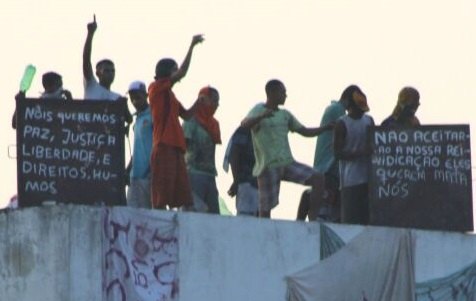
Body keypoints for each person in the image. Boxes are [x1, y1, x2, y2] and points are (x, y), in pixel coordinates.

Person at [241, 79, 332, 219]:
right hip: (268, 165)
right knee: (265, 208)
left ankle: (312, 218)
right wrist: (261, 116)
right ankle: (264, 233)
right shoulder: (258, 109)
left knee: (318, 178)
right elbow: (244, 125)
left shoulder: (285, 115)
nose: (285, 95)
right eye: (282, 92)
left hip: (287, 162)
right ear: (271, 93)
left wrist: (325, 128)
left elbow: (305, 131)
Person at [148, 34, 204, 210]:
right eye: (173, 70)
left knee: (181, 194)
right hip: (163, 145)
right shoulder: (155, 88)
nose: (177, 73)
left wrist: (198, 103)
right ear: (166, 73)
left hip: (176, 147)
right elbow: (183, 73)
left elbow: (186, 115)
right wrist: (192, 46)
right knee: (161, 195)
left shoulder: (170, 95)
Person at [297, 86, 354, 222]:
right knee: (325, 199)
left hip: (329, 165)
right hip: (328, 165)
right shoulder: (337, 110)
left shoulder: (334, 109)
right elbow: (349, 132)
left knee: (329, 197)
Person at [333, 85, 375, 225]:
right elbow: (337, 153)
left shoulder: (369, 121)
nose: (360, 112)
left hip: (369, 179)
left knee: (368, 220)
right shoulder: (342, 124)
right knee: (351, 221)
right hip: (350, 181)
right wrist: (360, 153)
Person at [183, 86, 221, 213]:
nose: (216, 105)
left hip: (210, 174)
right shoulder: (191, 121)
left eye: (217, 101)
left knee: (213, 215)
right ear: (203, 100)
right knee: (194, 213)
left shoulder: (214, 124)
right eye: (214, 100)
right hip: (193, 173)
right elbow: (183, 146)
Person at [126, 81, 153, 209]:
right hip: (134, 177)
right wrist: (127, 169)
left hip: (149, 176)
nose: (135, 101)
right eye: (132, 99)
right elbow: (137, 148)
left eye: (138, 97)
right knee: (131, 215)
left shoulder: (153, 115)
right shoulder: (135, 120)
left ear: (146, 95)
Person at [82, 15, 122, 101]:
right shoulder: (91, 86)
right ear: (97, 73)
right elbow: (86, 60)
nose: (110, 74)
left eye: (112, 71)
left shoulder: (117, 98)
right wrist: (90, 34)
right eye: (106, 71)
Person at [223, 126, 259, 216]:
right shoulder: (245, 130)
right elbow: (233, 155)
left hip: (261, 186)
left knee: (261, 222)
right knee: (246, 219)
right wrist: (236, 181)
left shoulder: (268, 130)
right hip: (247, 183)